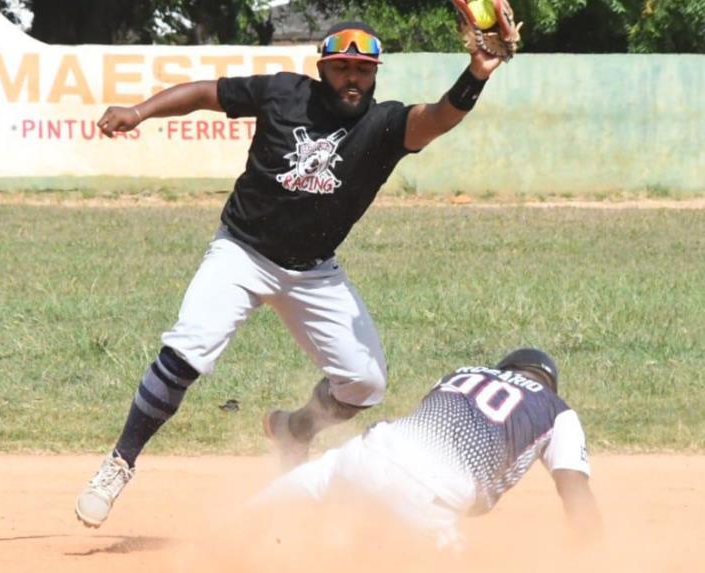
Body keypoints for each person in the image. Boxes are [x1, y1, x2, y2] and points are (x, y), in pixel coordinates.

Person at [76, 21, 508, 528]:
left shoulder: (386, 126)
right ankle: (120, 462)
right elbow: (202, 93)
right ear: (322, 67)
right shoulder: (284, 92)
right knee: (188, 349)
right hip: (242, 252)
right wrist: (138, 111)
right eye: (342, 67)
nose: (352, 77)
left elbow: (439, 116)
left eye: (363, 70)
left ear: (374, 75)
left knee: (364, 383)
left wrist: (477, 73)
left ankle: (295, 430)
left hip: (313, 272)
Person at [254, 348, 601, 549]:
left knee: (246, 523)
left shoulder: (463, 373)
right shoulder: (556, 409)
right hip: (428, 504)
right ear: (549, 383)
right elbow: (575, 491)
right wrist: (593, 553)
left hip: (361, 456)